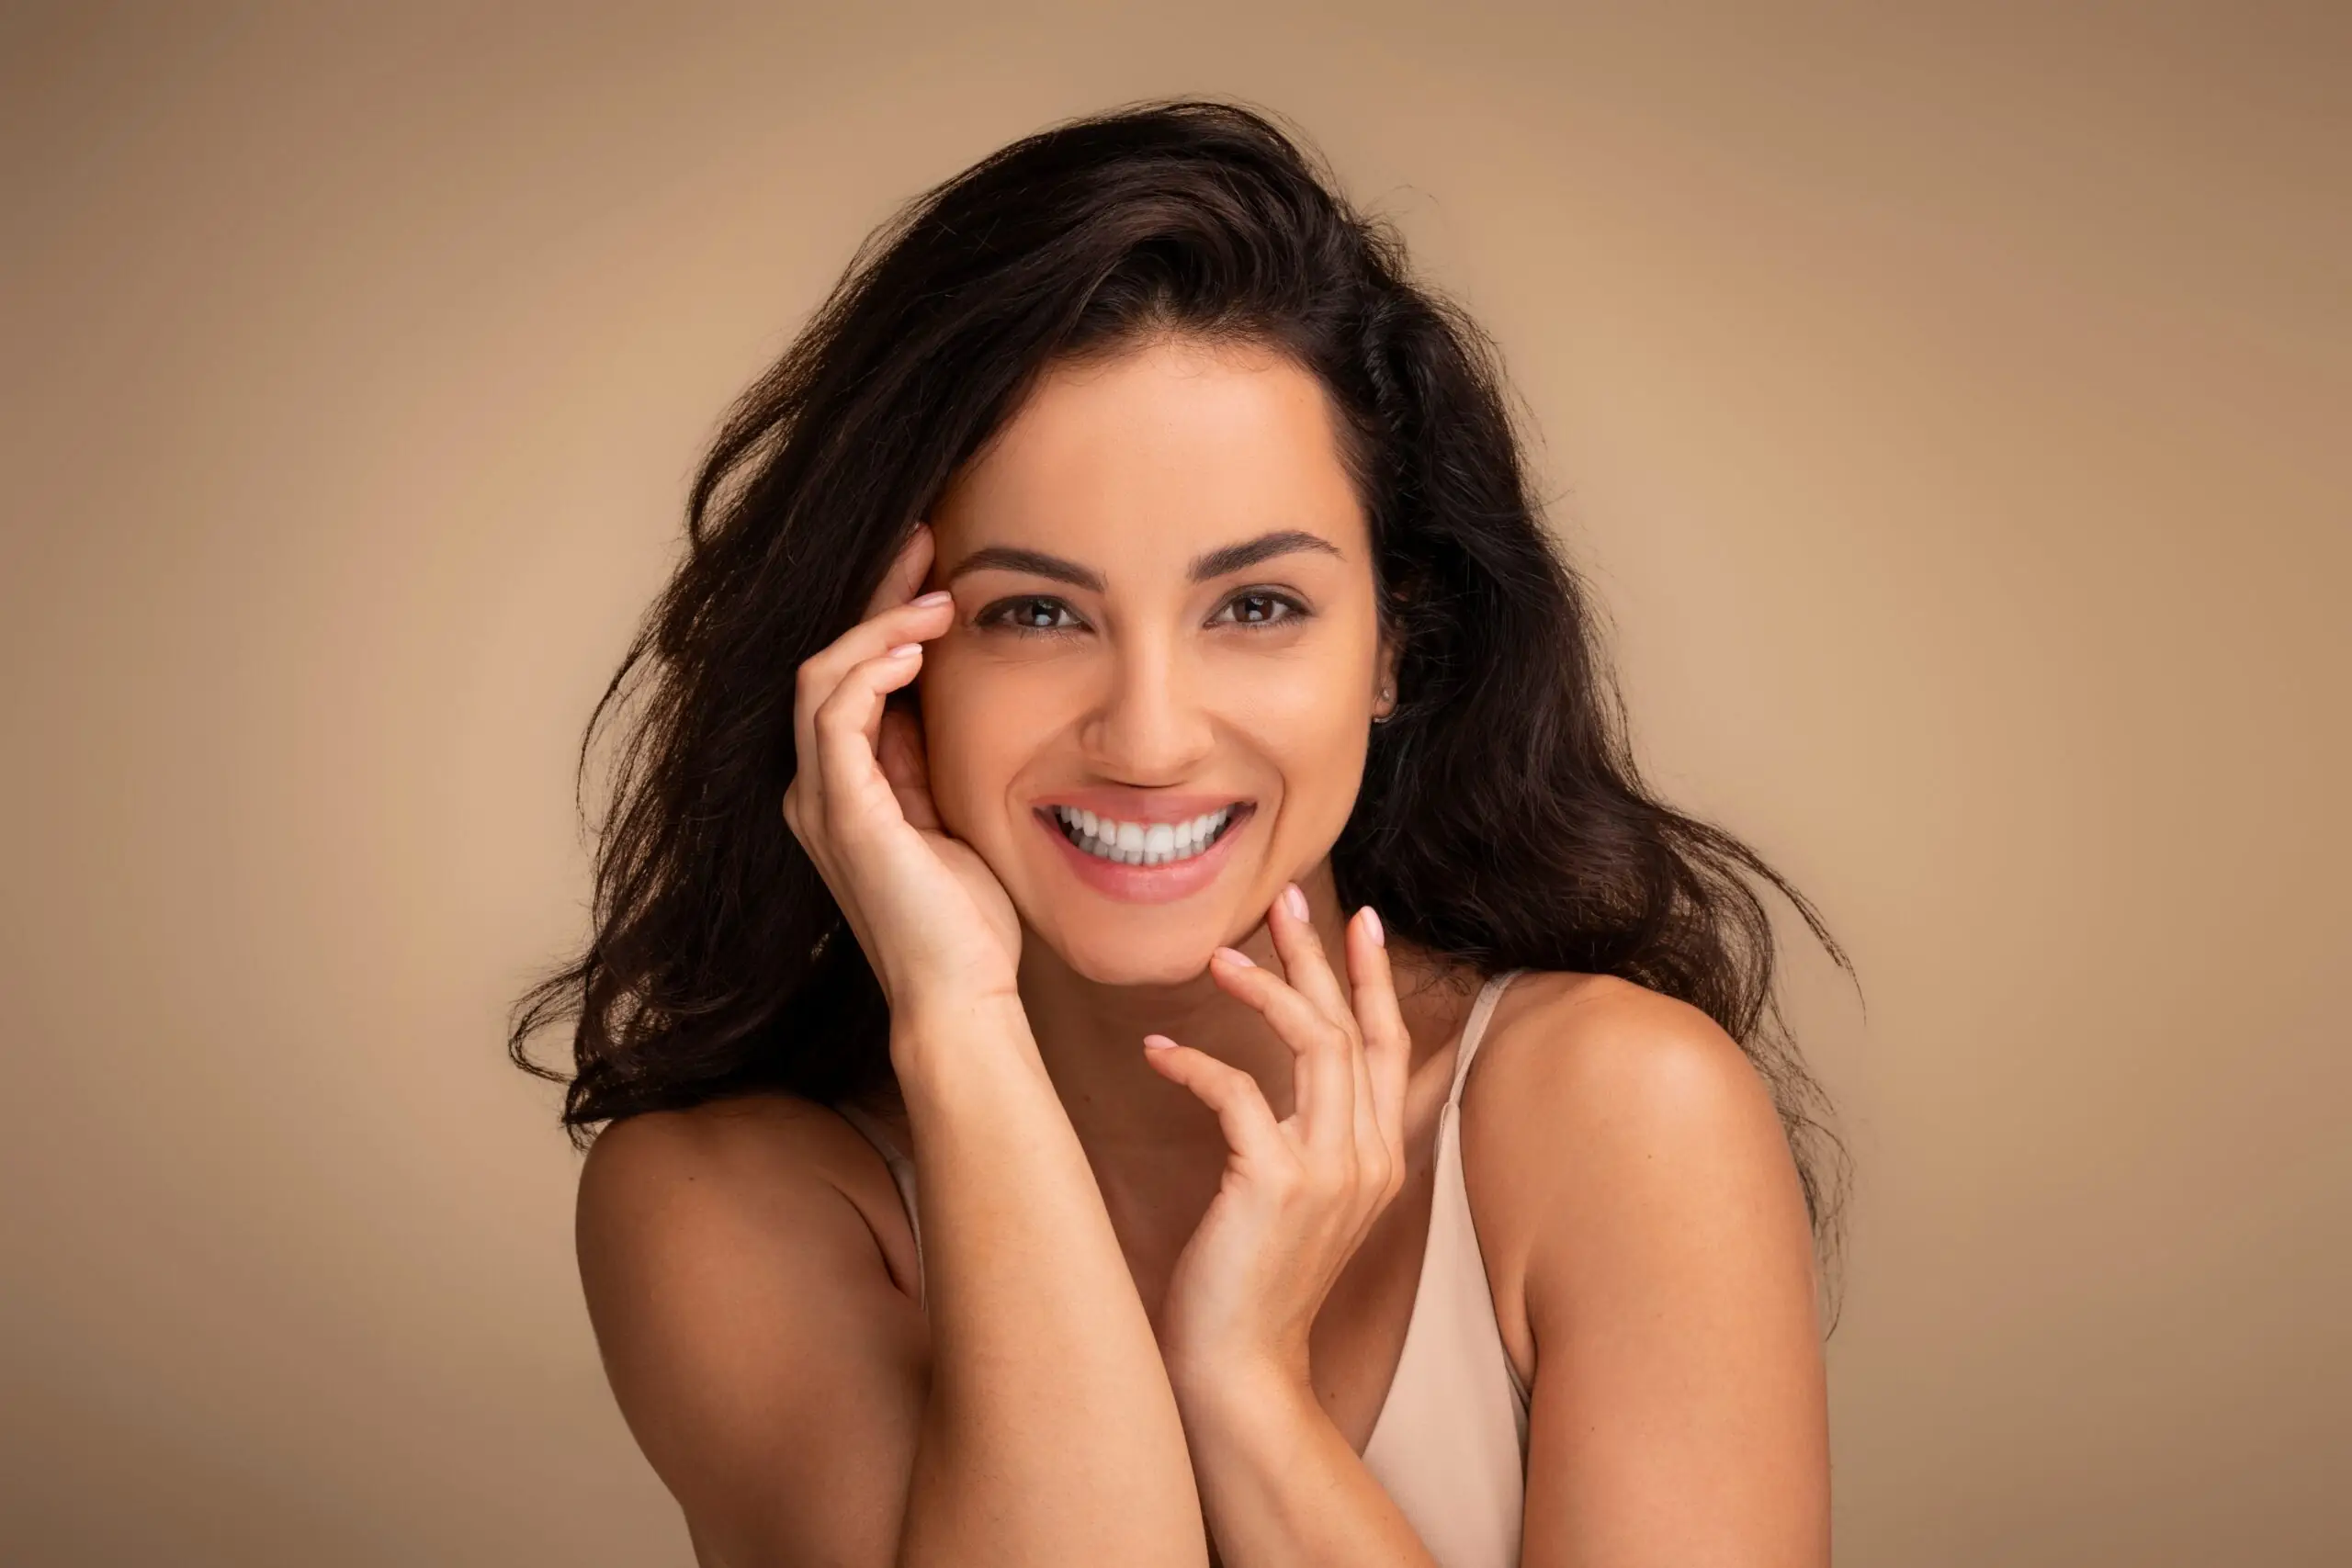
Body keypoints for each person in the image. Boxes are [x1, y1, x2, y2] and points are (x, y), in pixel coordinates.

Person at [511, 98, 1843, 1568]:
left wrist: (1245, 1393)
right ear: (892, 666)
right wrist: (957, 1022)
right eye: (1034, 612)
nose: (1148, 735)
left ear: (1395, 641)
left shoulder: (1619, 1118)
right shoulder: (727, 1209)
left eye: (1256, 606)